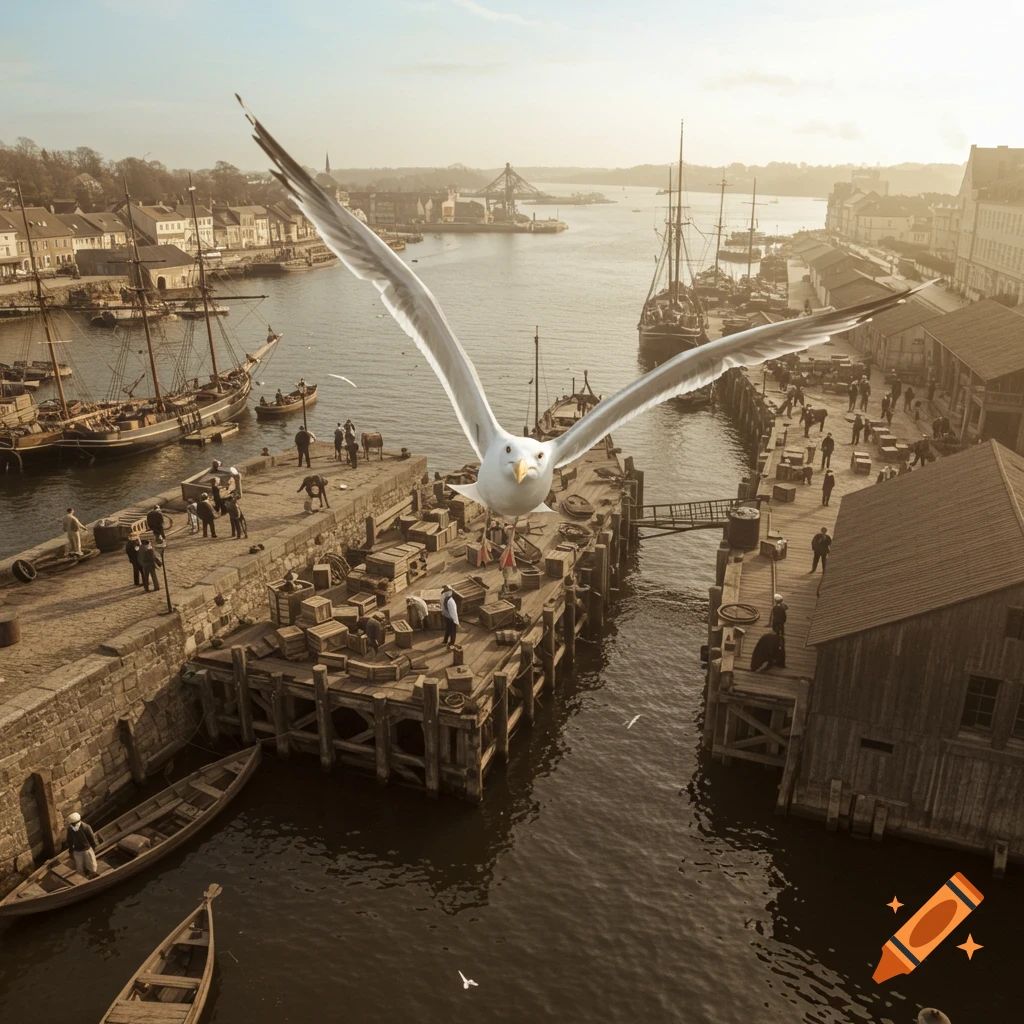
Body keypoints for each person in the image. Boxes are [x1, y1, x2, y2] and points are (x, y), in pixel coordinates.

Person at [65, 812, 98, 879]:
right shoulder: (70, 829)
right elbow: (69, 841)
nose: (72, 825)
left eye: (73, 824)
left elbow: (92, 838)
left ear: (77, 822)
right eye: (71, 824)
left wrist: (94, 847)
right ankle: (82, 877)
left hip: (86, 849)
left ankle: (93, 874)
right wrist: (71, 851)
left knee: (91, 864)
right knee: (79, 866)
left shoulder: (86, 827)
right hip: (77, 851)